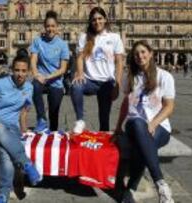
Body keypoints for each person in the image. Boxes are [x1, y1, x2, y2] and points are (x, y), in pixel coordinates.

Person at [113, 40, 175, 203]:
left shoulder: (165, 76)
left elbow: (169, 107)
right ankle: (161, 185)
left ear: (151, 53)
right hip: (134, 125)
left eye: (143, 52)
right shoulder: (130, 77)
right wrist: (119, 126)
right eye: (136, 54)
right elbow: (126, 104)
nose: (140, 56)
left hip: (160, 127)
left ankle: (130, 190)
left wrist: (154, 123)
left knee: (143, 146)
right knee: (137, 122)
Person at [0, 54, 41, 203]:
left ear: (28, 72)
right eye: (17, 70)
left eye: (23, 70)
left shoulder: (29, 87)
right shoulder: (0, 84)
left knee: (5, 155)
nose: (20, 74)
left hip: (11, 129)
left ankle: (3, 195)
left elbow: (23, 112)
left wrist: (24, 129)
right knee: (0, 128)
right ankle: (27, 163)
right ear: (12, 70)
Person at [71, 7, 124, 134]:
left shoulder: (114, 37)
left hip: (107, 82)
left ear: (105, 20)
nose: (97, 22)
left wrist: (118, 84)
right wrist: (80, 73)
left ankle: (103, 144)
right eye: (94, 19)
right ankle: (80, 121)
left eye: (100, 18)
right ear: (90, 22)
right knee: (75, 86)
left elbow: (119, 62)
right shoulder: (84, 37)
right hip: (89, 81)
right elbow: (79, 57)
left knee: (104, 121)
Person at [30, 10, 70, 132]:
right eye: (47, 26)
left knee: (54, 112)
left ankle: (52, 132)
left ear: (57, 27)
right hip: (40, 78)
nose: (50, 29)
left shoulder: (63, 45)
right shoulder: (37, 41)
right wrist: (36, 74)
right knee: (35, 87)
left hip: (56, 81)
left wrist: (47, 77)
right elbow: (33, 60)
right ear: (44, 27)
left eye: (53, 26)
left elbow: (62, 69)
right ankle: (41, 119)